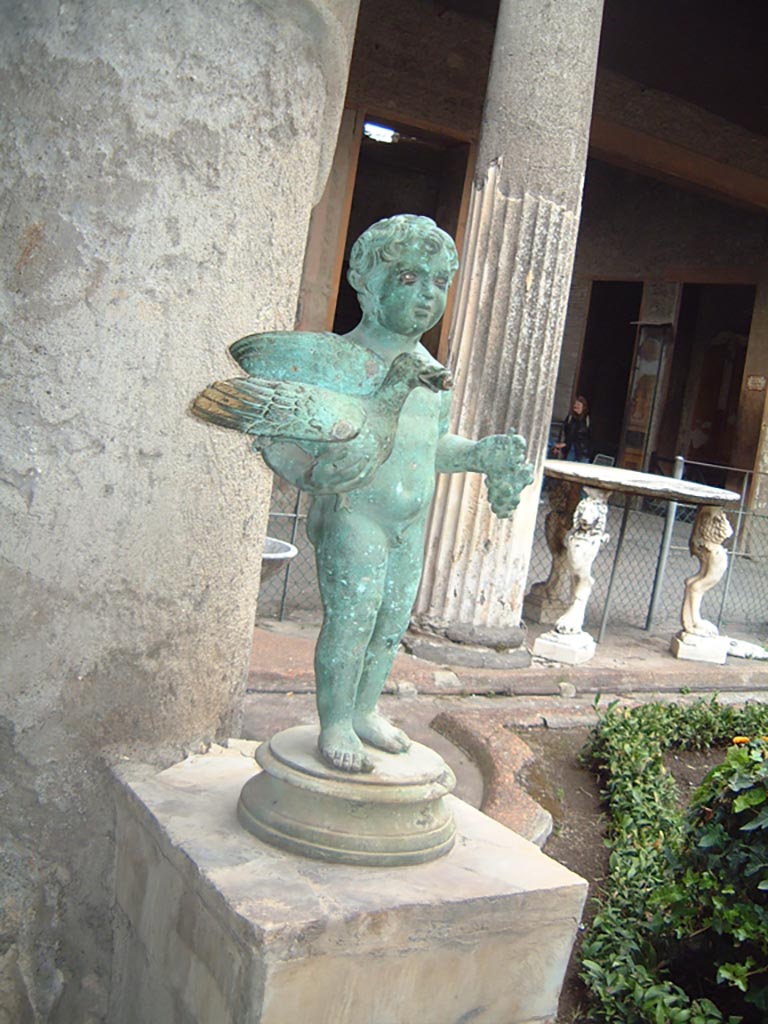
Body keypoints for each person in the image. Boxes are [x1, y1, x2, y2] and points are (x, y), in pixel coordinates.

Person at [196, 215, 533, 773]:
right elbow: (297, 438)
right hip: (356, 513)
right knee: (353, 618)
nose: (426, 295)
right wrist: (309, 470)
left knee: (390, 622)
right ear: (367, 285)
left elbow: (428, 446)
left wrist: (476, 455)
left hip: (410, 520)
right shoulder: (343, 362)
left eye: (436, 282)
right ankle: (333, 722)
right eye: (406, 279)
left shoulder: (431, 370)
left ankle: (365, 711)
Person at [554, 396, 591, 463]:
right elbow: (564, 433)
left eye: (578, 405)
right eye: (575, 404)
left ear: (583, 407)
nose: (575, 406)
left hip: (583, 451)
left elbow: (590, 437)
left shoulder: (587, 419)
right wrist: (561, 445)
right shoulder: (570, 418)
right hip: (570, 449)